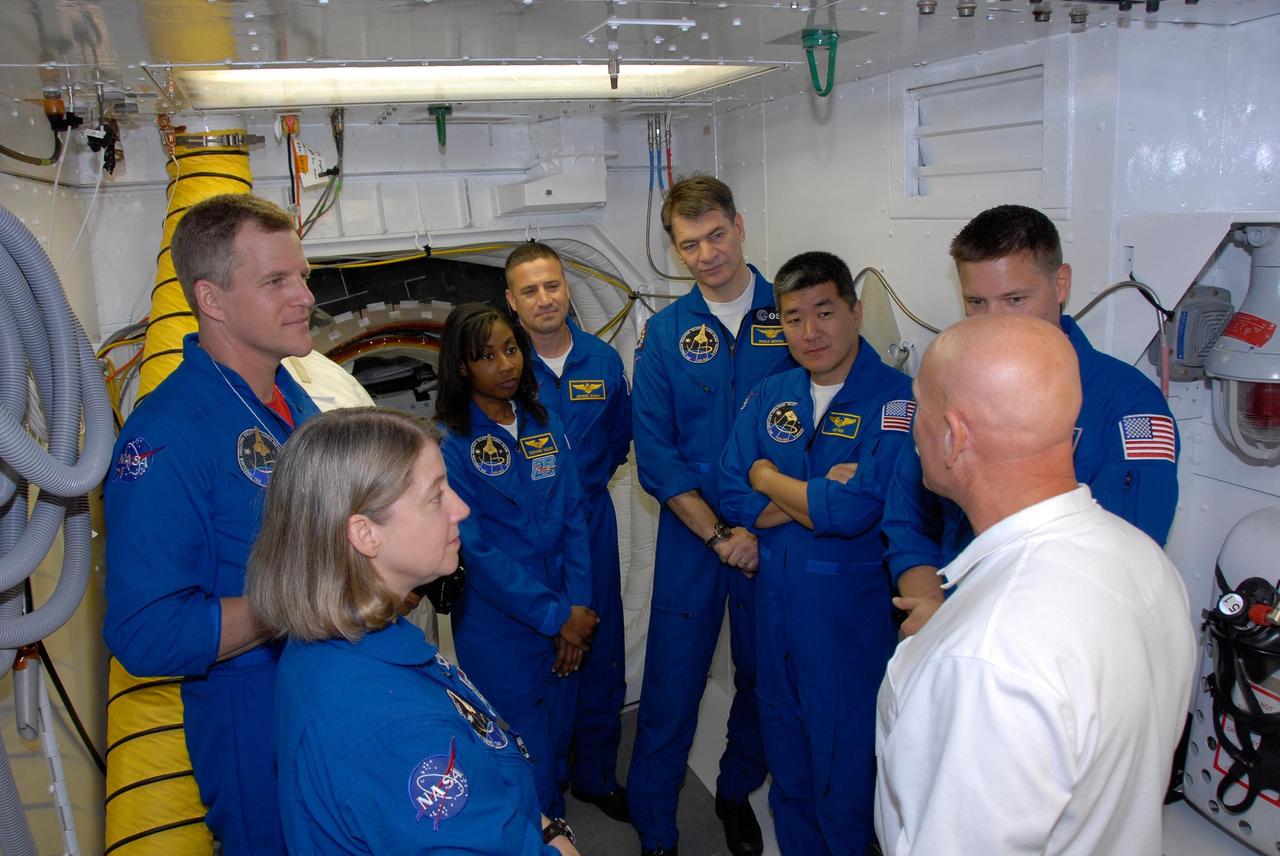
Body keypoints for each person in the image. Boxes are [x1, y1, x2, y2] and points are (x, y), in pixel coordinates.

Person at [874, 314, 1196, 854]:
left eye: (920, 408)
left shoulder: (986, 657)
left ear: (953, 436)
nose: (912, 427)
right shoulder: (1144, 561)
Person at [246, 407, 581, 855]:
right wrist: (556, 840)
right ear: (366, 535)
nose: (460, 508)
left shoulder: (347, 640)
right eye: (436, 496)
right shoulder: (396, 732)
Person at [102, 193, 321, 853]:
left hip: (320, 686)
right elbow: (145, 634)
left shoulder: (291, 398)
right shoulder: (167, 435)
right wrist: (301, 600)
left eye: (303, 275)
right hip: (253, 719)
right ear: (213, 299)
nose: (305, 296)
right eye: (277, 281)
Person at [885, 204, 1180, 636]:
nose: (994, 322)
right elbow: (908, 514)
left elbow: (1122, 558)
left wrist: (969, 625)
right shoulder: (949, 386)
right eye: (976, 303)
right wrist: (933, 605)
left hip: (1051, 633)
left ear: (1060, 284)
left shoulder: (1127, 406)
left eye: (1015, 300)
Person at [719, 251, 914, 856]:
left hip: (846, 625)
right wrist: (818, 494)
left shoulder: (897, 400)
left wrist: (767, 477)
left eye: (825, 312)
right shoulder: (771, 391)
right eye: (793, 318)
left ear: (855, 313)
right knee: (789, 764)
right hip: (773, 607)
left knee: (846, 769)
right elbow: (730, 488)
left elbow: (859, 510)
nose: (810, 333)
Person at [629, 175, 793, 856]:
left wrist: (763, 526)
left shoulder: (791, 317)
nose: (707, 254)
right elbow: (656, 453)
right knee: (671, 683)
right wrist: (720, 534)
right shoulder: (666, 335)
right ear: (674, 249)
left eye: (716, 235)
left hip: (777, 535)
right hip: (695, 537)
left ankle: (734, 790)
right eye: (689, 244)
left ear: (741, 225)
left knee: (763, 679)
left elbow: (817, 433)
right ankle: (655, 826)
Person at [435, 302, 596, 819]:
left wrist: (579, 607)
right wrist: (557, 618)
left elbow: (574, 516)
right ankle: (542, 834)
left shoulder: (543, 422)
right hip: (499, 627)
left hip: (566, 612)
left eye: (511, 350)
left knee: (559, 736)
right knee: (523, 754)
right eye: (486, 356)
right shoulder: (450, 445)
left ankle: (556, 822)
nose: (506, 365)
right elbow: (475, 551)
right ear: (462, 366)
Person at [504, 242, 633, 821]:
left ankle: (596, 776)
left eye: (552, 285)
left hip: (592, 519)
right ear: (511, 301)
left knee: (600, 645)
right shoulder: (502, 370)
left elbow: (619, 438)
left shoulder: (603, 362)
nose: (544, 299)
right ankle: (543, 788)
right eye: (529, 290)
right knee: (541, 652)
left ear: (566, 288)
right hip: (527, 536)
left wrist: (586, 488)